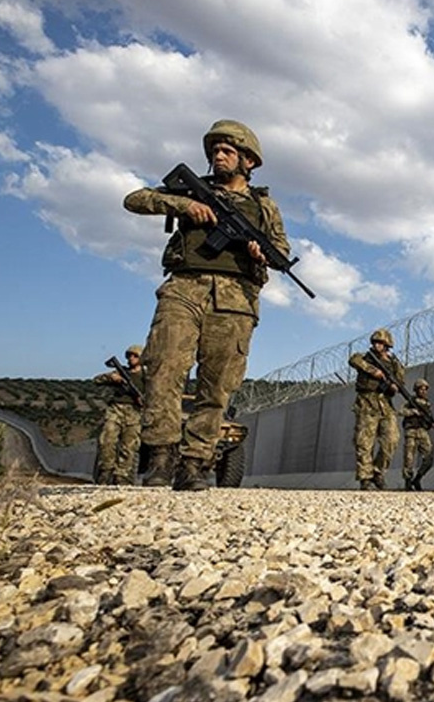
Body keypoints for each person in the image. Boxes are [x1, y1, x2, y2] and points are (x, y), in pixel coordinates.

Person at [124, 120, 289, 491]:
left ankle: (195, 463)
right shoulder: (194, 191)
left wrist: (261, 253)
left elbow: (281, 251)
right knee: (163, 366)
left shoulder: (264, 207)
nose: (218, 155)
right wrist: (184, 205)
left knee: (218, 384)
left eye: (228, 150)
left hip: (236, 297)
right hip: (184, 287)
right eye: (215, 150)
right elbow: (135, 199)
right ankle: (162, 458)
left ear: (248, 160)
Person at [349, 329, 404, 490]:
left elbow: (400, 382)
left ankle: (378, 472)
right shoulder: (365, 357)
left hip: (385, 403)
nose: (376, 345)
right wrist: (374, 371)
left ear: (387, 344)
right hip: (367, 401)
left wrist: (394, 386)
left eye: (380, 342)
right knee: (364, 442)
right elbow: (354, 360)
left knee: (392, 439)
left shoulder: (394, 363)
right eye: (374, 342)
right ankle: (365, 478)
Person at [92, 345, 144, 485]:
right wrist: (111, 377)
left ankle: (122, 476)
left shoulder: (146, 376)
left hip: (135, 412)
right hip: (116, 409)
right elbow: (96, 380)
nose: (131, 358)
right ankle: (106, 471)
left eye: (135, 355)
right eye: (129, 356)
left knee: (129, 446)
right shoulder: (121, 372)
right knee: (107, 440)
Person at [400, 378, 434, 491]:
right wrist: (413, 412)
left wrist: (433, 425)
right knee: (409, 458)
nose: (423, 391)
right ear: (416, 390)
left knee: (429, 456)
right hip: (411, 431)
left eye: (425, 389)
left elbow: (428, 418)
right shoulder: (410, 402)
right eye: (420, 389)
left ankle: (417, 478)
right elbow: (401, 411)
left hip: (422, 431)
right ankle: (408, 481)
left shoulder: (427, 404)